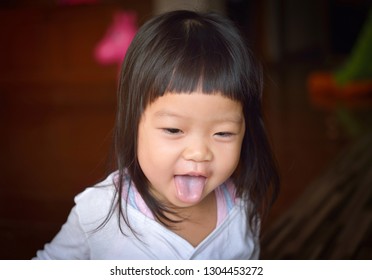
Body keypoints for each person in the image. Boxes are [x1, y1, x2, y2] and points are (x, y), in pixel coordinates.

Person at [33, 10, 279, 260]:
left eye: (223, 133)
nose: (199, 152)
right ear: (134, 123)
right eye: (173, 130)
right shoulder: (98, 212)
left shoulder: (242, 212)